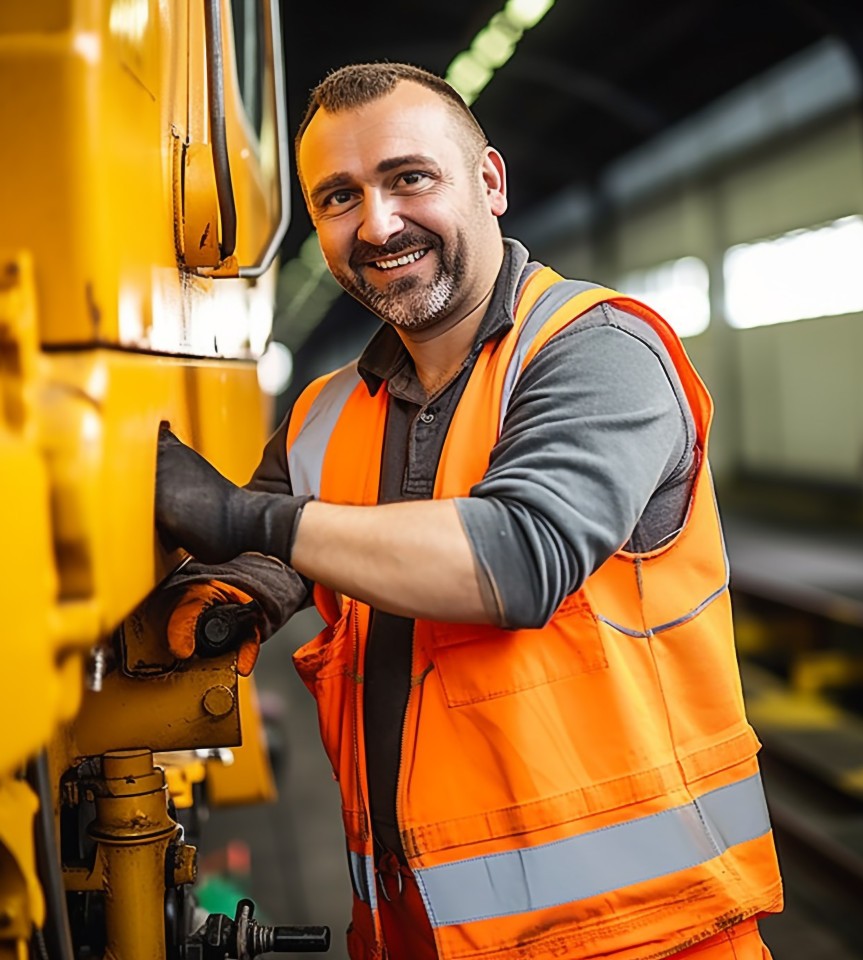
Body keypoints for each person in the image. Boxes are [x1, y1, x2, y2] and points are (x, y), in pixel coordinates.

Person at [155, 62, 782, 960]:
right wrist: (221, 595)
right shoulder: (328, 409)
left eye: (409, 178)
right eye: (339, 197)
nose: (377, 224)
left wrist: (246, 523)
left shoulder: (597, 351)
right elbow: (272, 550)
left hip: (634, 935)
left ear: (489, 182)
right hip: (418, 932)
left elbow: (518, 559)